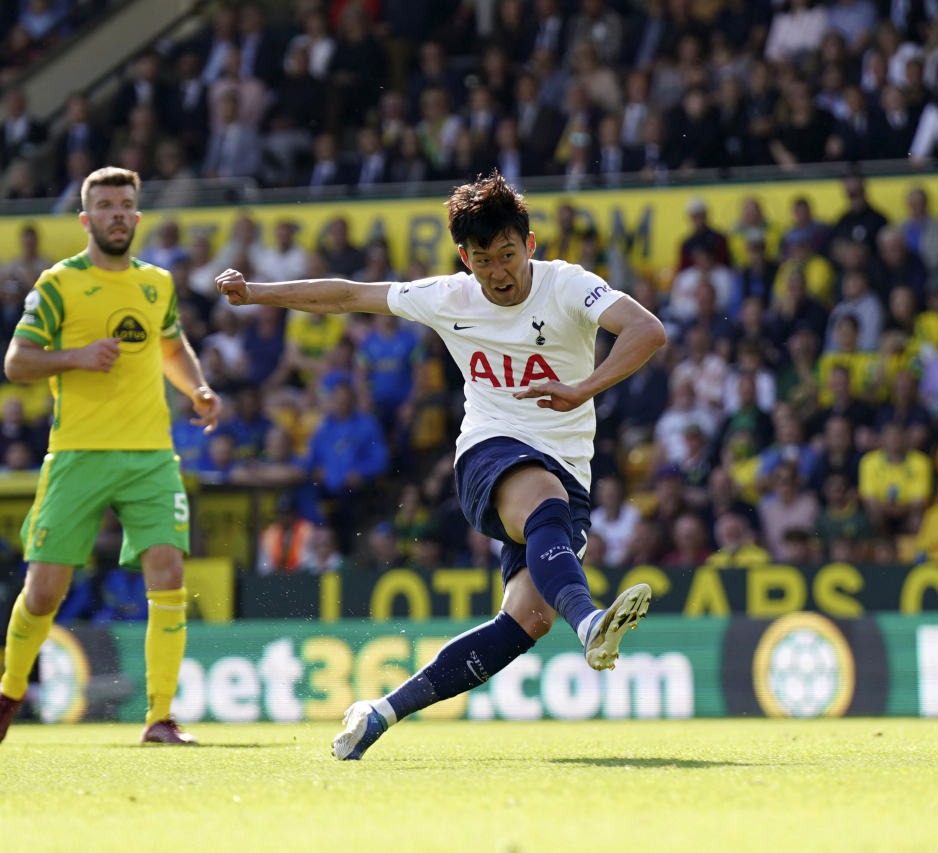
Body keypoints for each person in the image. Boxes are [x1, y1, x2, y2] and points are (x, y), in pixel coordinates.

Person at [216, 172, 666, 760]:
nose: (499, 274)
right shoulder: (447, 297)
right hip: (490, 450)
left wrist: (585, 387)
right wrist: (257, 293)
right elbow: (350, 295)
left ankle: (379, 713)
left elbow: (646, 330)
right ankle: (589, 623)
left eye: (508, 255)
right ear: (465, 257)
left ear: (529, 244)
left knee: (527, 620)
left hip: (567, 469)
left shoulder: (568, 286)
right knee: (541, 499)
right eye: (483, 261)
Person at [0, 168, 224, 746]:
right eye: (105, 206)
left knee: (169, 573)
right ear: (86, 220)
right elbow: (18, 363)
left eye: (126, 205)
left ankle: (159, 717)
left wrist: (195, 388)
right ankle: (10, 691)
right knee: (45, 589)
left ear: (138, 216)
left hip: (151, 454)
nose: (117, 214)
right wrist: (74, 357)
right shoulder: (58, 284)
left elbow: (171, 346)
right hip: (78, 452)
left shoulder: (157, 283)